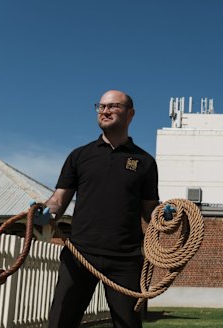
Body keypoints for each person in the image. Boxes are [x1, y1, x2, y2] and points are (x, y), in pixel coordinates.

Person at [36, 90, 159, 328]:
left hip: (125, 260)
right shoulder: (79, 156)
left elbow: (149, 210)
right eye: (100, 106)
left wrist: (166, 215)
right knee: (59, 322)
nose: (105, 111)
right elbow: (59, 199)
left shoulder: (145, 162)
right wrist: (46, 211)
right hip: (80, 255)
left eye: (113, 106)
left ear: (130, 114)